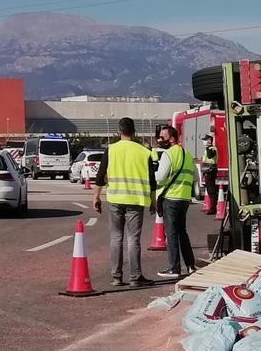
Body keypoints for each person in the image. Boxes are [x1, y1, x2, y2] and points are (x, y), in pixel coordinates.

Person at [93, 117, 157, 286]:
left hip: (115, 199)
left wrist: (96, 196)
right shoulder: (144, 152)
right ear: (134, 132)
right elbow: (152, 180)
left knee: (116, 237)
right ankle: (135, 277)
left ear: (118, 132)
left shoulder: (111, 149)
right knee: (133, 239)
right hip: (136, 200)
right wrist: (153, 201)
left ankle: (116, 276)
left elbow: (100, 175)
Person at [154, 125, 197, 278]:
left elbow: (160, 177)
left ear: (171, 139)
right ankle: (190, 265)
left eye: (162, 137)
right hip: (184, 198)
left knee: (171, 233)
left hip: (171, 198)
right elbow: (196, 177)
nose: (160, 139)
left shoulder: (169, 154)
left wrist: (151, 173)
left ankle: (174, 268)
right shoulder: (187, 154)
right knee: (182, 232)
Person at [200, 133, 218, 214]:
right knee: (209, 190)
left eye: (205, 140)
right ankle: (212, 207)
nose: (203, 141)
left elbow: (210, 156)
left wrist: (208, 147)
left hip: (211, 171)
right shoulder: (208, 148)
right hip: (207, 171)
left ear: (209, 140)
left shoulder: (212, 148)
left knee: (212, 191)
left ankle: (213, 209)